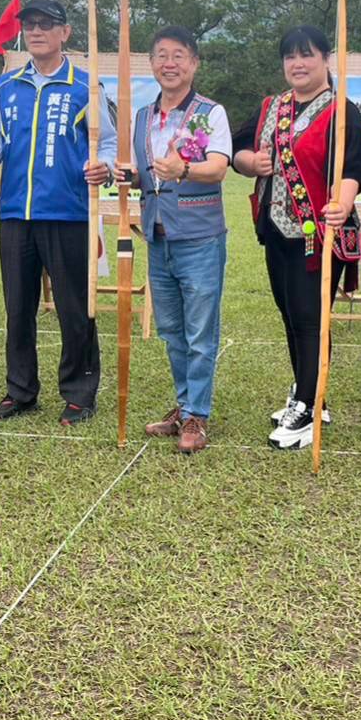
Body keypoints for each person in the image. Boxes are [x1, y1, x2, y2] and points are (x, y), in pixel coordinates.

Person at [0, 0, 115, 426]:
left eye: (45, 24)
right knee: (18, 307)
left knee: (75, 307)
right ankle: (21, 391)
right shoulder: (8, 85)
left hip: (68, 212)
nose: (35, 31)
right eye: (29, 25)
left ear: (65, 33)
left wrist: (104, 165)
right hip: (16, 212)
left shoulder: (86, 87)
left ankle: (79, 392)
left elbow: (108, 143)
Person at [232, 26, 361, 451]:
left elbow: (354, 166)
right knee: (290, 316)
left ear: (325, 58)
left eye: (307, 55)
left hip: (321, 232)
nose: (298, 64)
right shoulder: (272, 108)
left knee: (311, 319)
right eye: (290, 57)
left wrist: (342, 205)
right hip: (276, 230)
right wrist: (250, 162)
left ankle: (308, 407)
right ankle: (308, 390)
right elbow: (237, 148)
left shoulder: (342, 111)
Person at [119, 27, 231, 454]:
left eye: (179, 55)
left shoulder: (210, 112)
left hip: (199, 236)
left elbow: (219, 167)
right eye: (162, 55)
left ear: (194, 63)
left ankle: (197, 415)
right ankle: (185, 405)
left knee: (201, 332)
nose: (170, 63)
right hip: (157, 235)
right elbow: (145, 173)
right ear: (152, 64)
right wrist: (128, 176)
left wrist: (183, 169)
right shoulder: (144, 117)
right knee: (171, 330)